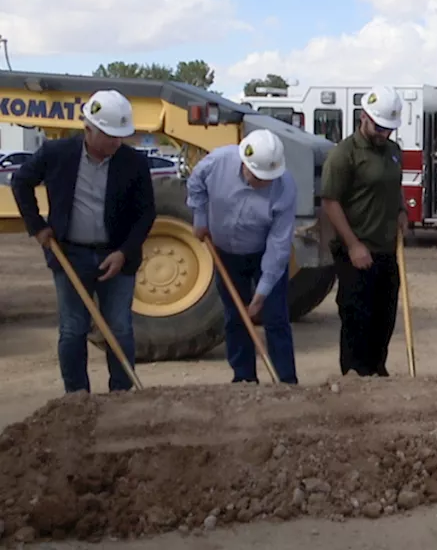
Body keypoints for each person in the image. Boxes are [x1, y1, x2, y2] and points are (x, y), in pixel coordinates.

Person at [11, 90, 155, 393]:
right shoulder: (57, 154)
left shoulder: (133, 163)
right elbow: (21, 182)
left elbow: (145, 214)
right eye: (109, 136)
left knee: (119, 327)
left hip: (117, 257)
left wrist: (124, 253)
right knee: (73, 328)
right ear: (88, 129)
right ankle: (77, 400)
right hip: (69, 254)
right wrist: (37, 227)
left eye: (120, 136)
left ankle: (121, 396)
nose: (116, 143)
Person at [187, 129, 299, 384]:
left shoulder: (284, 186)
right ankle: (244, 378)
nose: (263, 182)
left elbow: (279, 245)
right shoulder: (218, 162)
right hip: (226, 252)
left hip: (263, 254)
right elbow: (195, 183)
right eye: (258, 176)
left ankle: (286, 381)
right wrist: (200, 217)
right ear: (244, 162)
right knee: (235, 316)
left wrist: (261, 294)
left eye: (267, 178)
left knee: (276, 318)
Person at [319, 85, 409, 377]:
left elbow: (393, 189)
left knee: (385, 317)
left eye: (389, 129)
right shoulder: (344, 154)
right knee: (358, 318)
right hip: (355, 250)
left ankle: (376, 371)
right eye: (380, 127)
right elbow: (331, 202)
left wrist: (401, 212)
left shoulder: (394, 152)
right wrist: (354, 244)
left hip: (386, 249)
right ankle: (355, 377)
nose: (385, 134)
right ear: (364, 118)